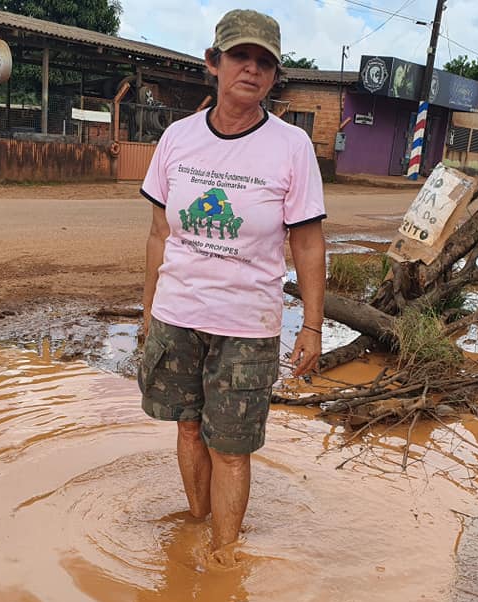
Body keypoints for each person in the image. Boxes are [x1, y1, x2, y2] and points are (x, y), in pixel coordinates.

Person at [138, 8, 326, 566]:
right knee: (188, 429)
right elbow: (158, 233)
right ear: (213, 62)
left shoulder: (292, 147)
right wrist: (148, 313)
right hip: (177, 315)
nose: (252, 69)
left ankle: (224, 555)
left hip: (247, 325)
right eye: (240, 56)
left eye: (265, 62)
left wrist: (312, 326)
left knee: (231, 448)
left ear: (274, 76)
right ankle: (196, 525)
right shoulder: (178, 138)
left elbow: (308, 243)